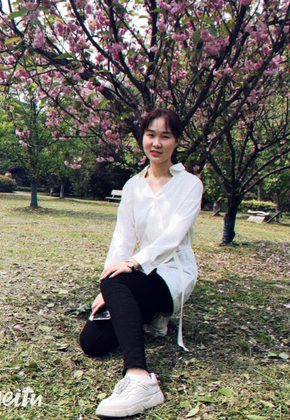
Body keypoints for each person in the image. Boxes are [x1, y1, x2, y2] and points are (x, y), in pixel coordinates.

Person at [79, 108, 203, 418]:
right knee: (92, 342)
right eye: (151, 135)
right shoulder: (134, 185)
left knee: (117, 278)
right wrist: (107, 287)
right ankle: (149, 317)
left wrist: (132, 264)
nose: (156, 143)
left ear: (177, 141)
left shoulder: (190, 184)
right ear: (142, 138)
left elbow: (173, 237)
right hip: (138, 277)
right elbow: (122, 237)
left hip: (173, 275)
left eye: (165, 136)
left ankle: (139, 378)